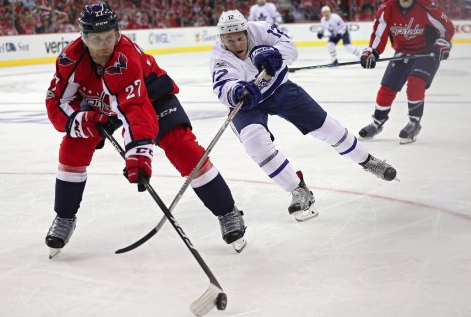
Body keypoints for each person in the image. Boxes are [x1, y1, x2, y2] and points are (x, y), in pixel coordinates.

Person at [44, 2, 248, 257]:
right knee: (73, 147)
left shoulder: (124, 58)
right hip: (102, 102)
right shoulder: (69, 59)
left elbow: (137, 110)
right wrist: (85, 120)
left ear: (118, 32)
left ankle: (227, 211)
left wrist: (139, 157)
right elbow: (57, 103)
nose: (105, 45)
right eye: (96, 39)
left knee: (182, 148)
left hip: (151, 97)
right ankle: (64, 217)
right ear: (83, 38)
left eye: (110, 37)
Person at [209, 10, 398, 224]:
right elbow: (223, 85)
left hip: (279, 89)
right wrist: (235, 91)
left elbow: (290, 47)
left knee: (327, 127)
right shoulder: (219, 57)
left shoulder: (260, 30)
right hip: (248, 104)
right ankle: (298, 190)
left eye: (240, 38)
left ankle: (367, 160)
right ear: (222, 39)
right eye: (230, 40)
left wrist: (275, 56)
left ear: (247, 33)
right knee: (255, 142)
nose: (236, 44)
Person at [358, 0, 455, 144]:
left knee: (415, 83)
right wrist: (372, 51)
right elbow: (379, 34)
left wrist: (442, 42)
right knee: (387, 87)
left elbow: (446, 27)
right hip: (402, 52)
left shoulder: (426, 6)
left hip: (426, 53)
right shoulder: (387, 8)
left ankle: (414, 123)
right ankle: (377, 122)